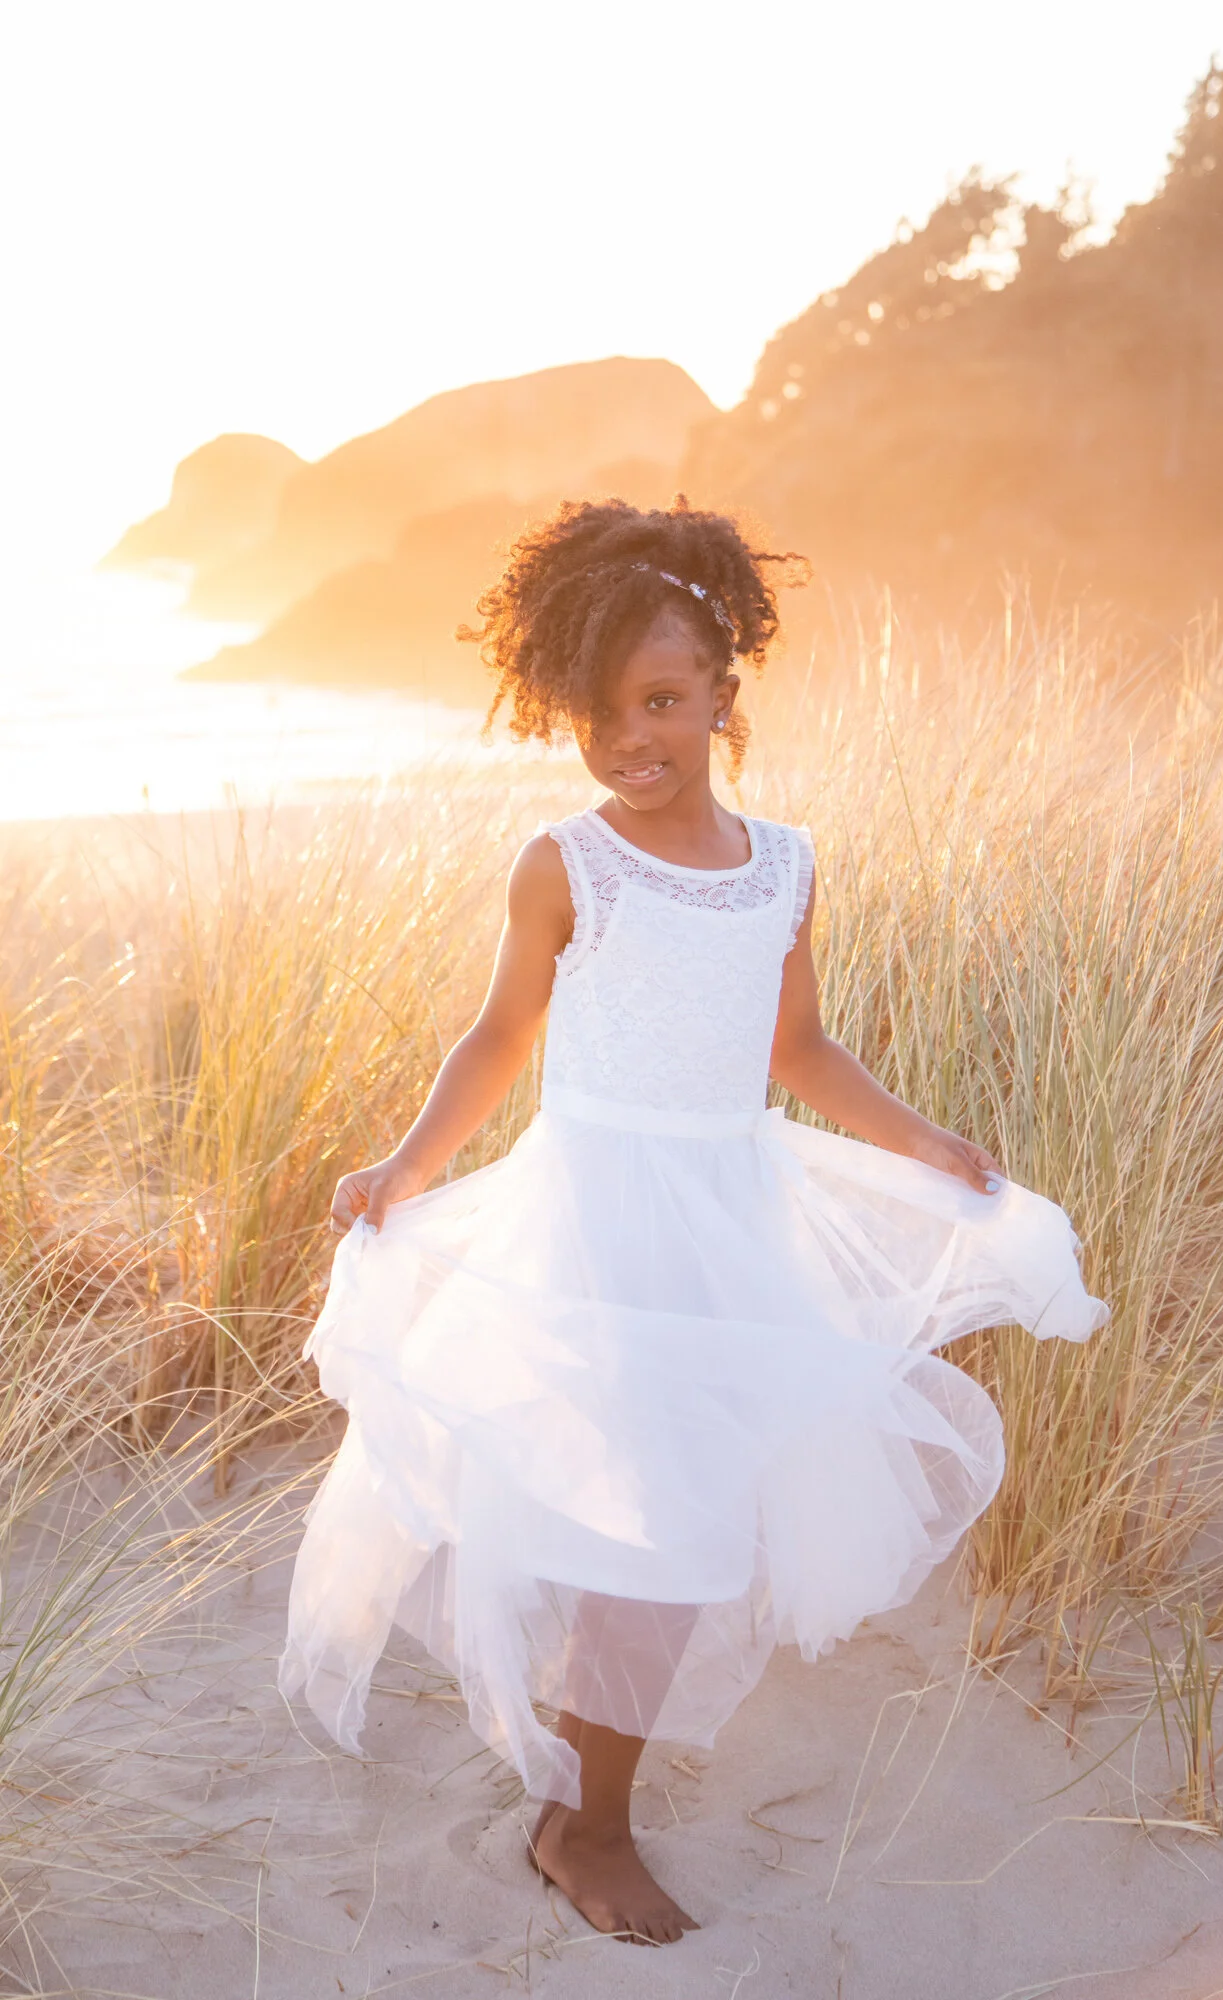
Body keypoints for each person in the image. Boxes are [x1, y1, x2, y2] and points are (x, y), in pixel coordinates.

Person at [279, 497, 1109, 1946]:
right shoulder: (569, 865)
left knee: (683, 1524)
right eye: (600, 718)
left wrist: (923, 1139)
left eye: (662, 703)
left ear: (726, 692)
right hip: (594, 1230)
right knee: (647, 1536)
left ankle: (578, 1794)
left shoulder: (782, 863)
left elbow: (798, 1052)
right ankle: (587, 1826)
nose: (631, 743)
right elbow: (497, 1041)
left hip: (730, 1226)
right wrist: (408, 1164)